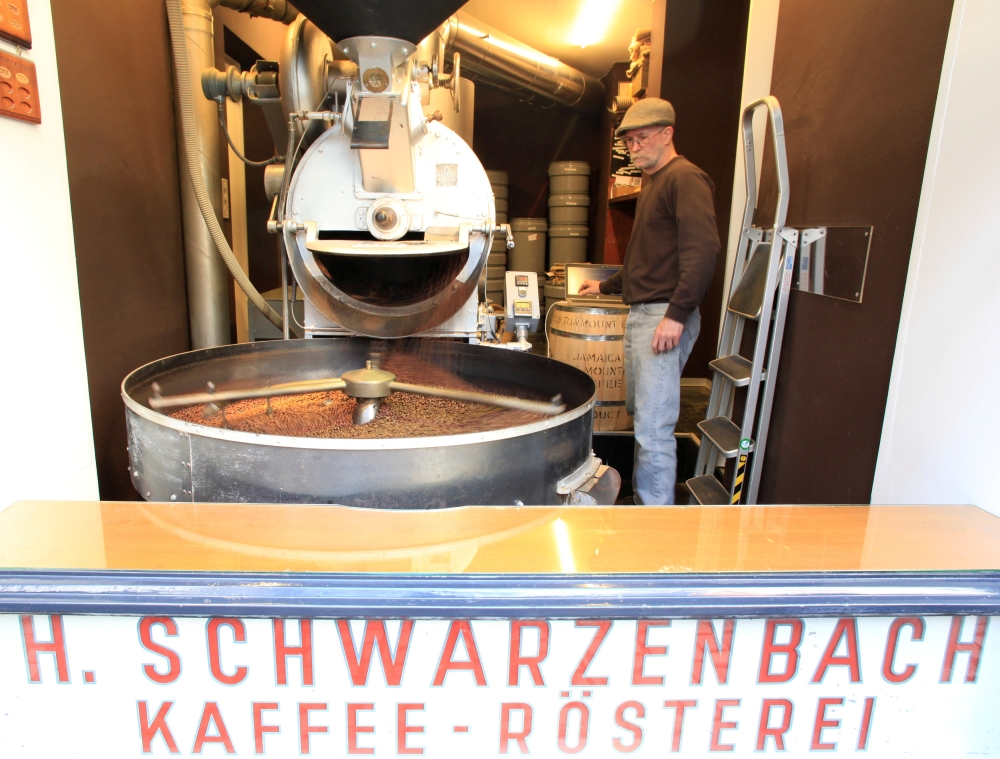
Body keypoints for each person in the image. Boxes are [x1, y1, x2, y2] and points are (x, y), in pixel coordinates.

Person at [578, 98, 719, 505]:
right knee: (643, 414)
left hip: (662, 314)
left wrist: (676, 315)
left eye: (642, 138)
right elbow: (646, 258)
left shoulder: (685, 179)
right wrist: (605, 287)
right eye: (629, 142)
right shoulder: (653, 184)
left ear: (667, 134)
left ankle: (654, 518)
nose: (634, 147)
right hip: (644, 313)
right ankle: (647, 505)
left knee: (653, 426)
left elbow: (703, 251)